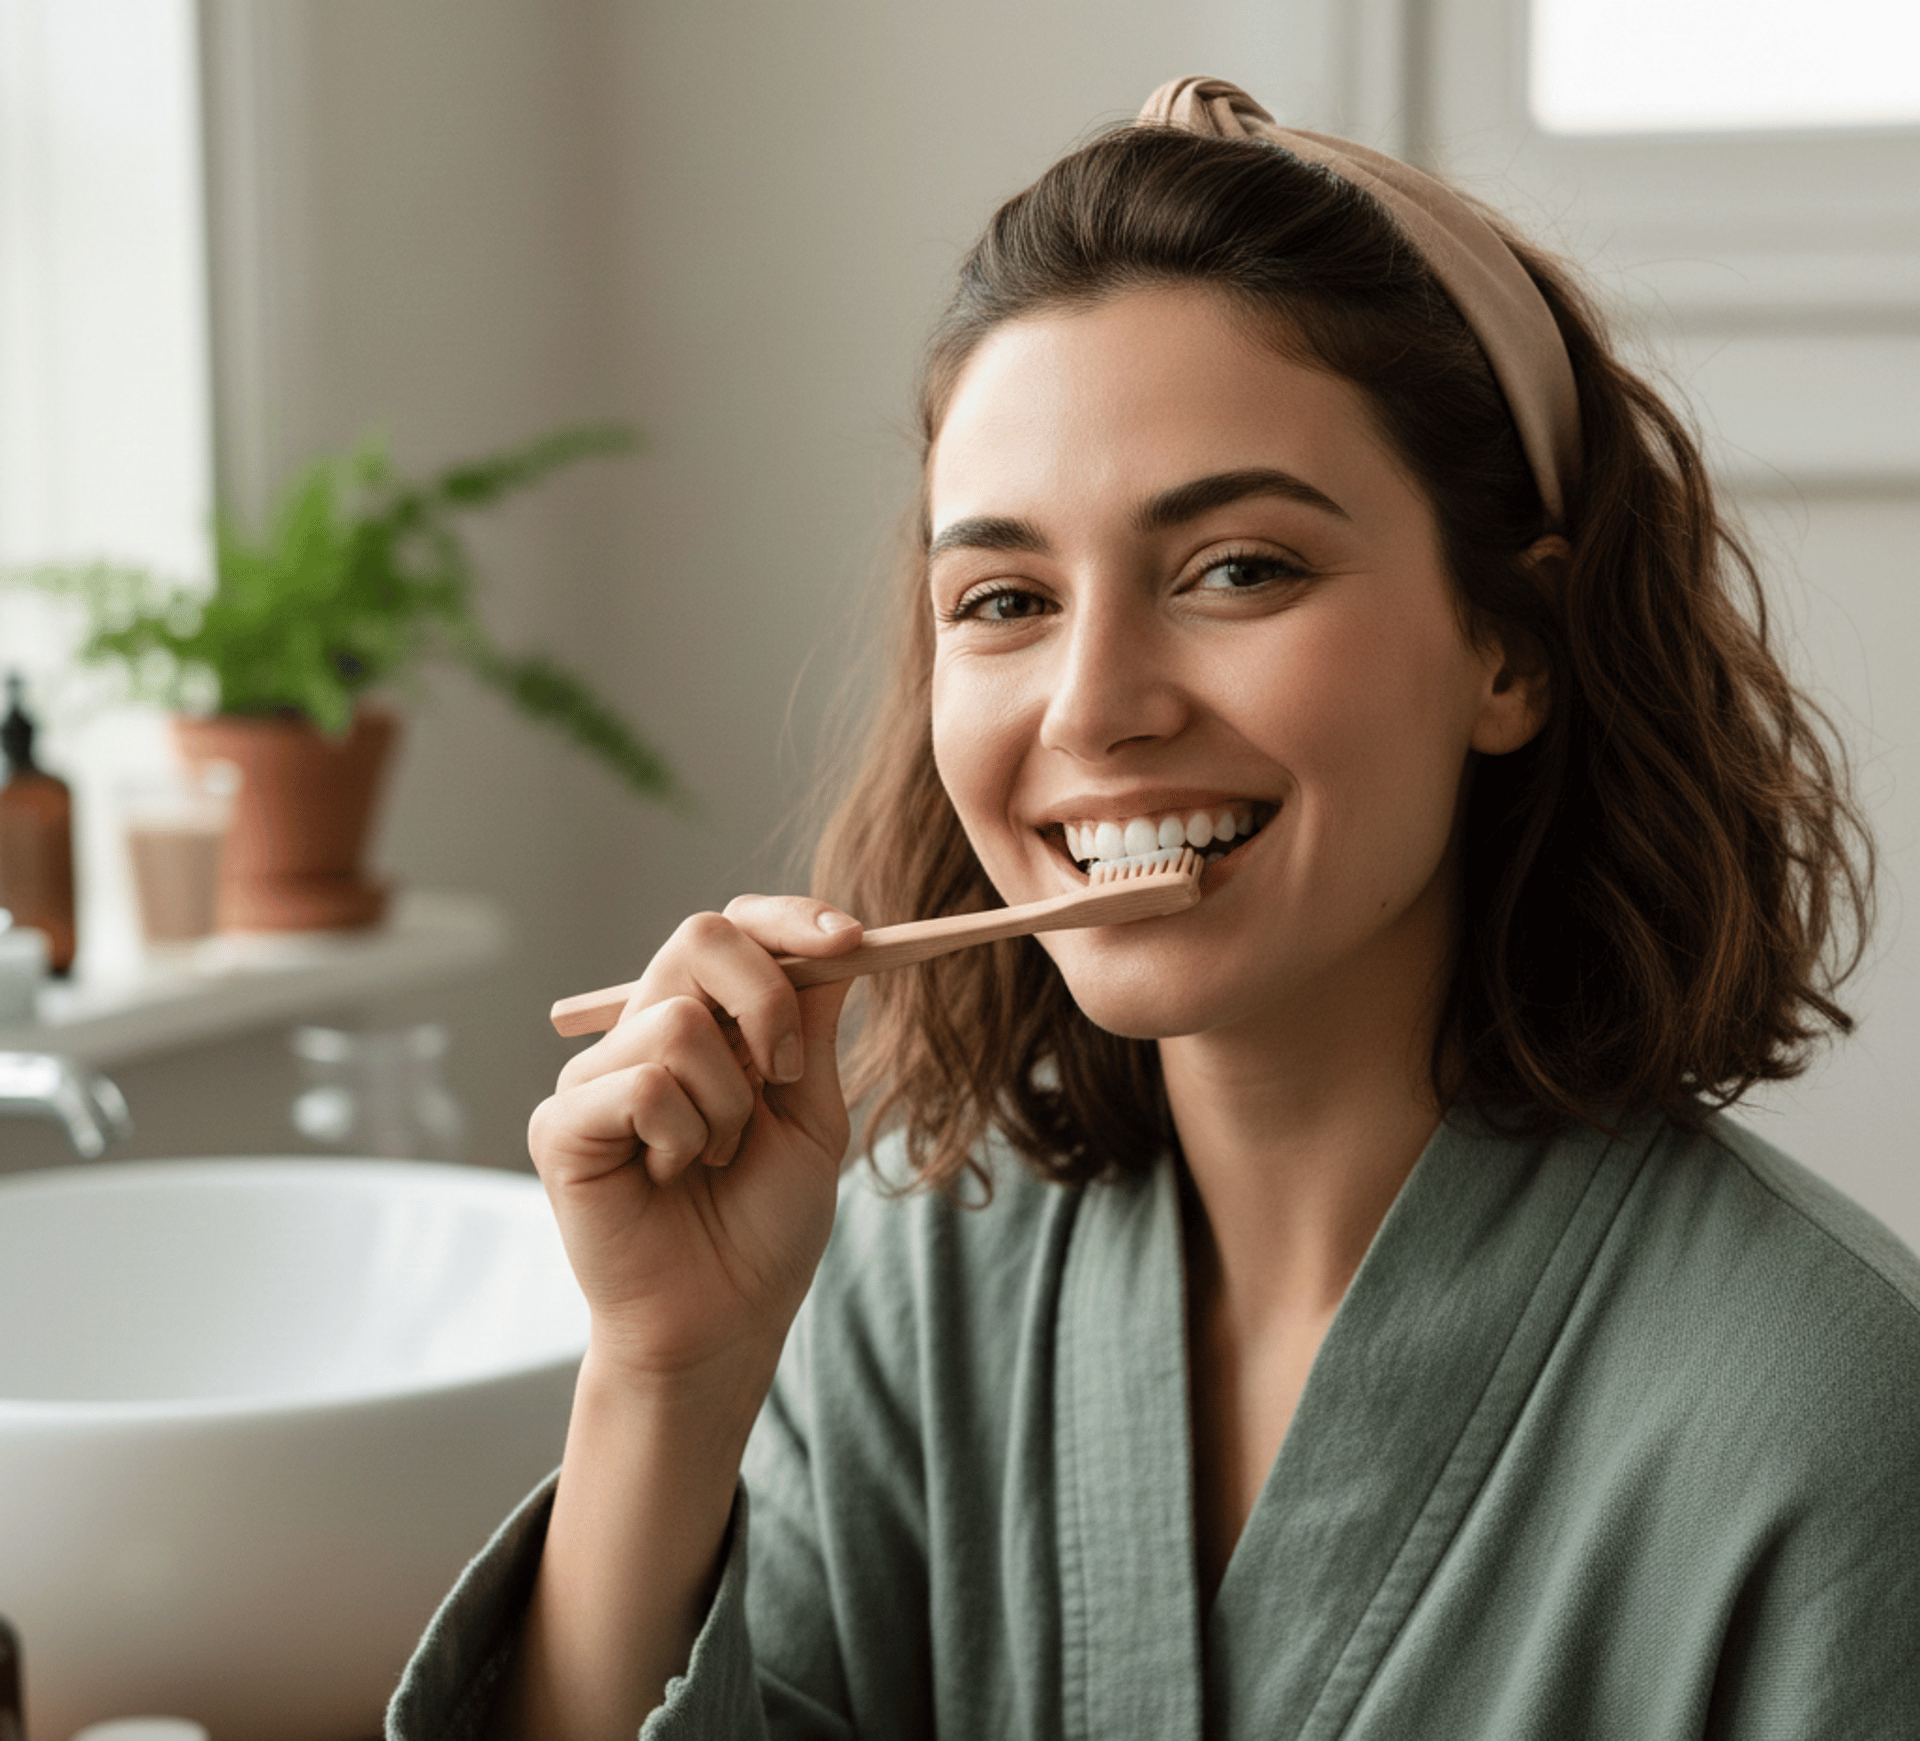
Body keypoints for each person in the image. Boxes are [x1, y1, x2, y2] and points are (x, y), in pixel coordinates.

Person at [389, 78, 1919, 1740]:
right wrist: (665, 1379)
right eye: (1006, 599)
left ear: (1512, 648)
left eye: (1237, 569)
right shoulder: (907, 1286)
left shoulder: (1831, 1416)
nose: (1090, 707)